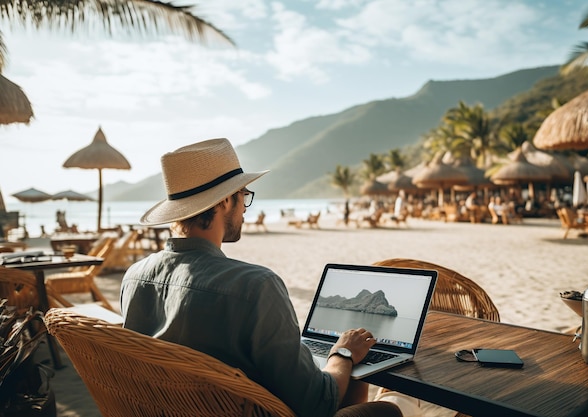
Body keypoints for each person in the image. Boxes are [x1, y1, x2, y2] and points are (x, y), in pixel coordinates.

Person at [119, 138, 402, 417]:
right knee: (385, 411)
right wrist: (343, 353)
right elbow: (317, 404)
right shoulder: (255, 286)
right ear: (226, 200)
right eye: (244, 196)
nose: (244, 208)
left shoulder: (134, 277)